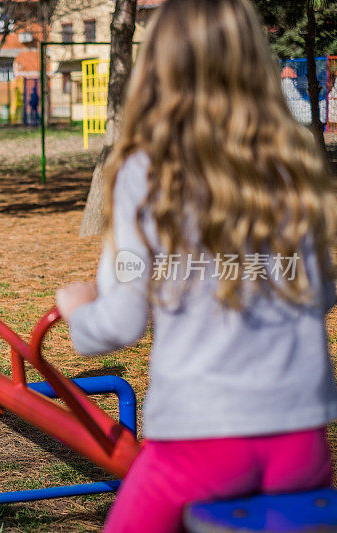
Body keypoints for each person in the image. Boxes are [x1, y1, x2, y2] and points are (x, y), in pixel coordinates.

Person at [54, 0, 337, 531]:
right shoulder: (295, 160)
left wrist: (78, 312)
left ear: (158, 68)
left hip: (202, 442)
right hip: (302, 437)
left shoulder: (145, 171)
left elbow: (120, 322)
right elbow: (322, 292)